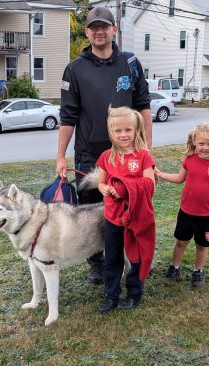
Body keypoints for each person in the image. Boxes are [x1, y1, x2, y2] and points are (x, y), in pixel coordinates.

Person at [57, 6, 152, 284]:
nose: (99, 32)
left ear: (113, 30)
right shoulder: (75, 69)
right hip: (88, 154)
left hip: (127, 154)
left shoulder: (130, 63)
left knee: (127, 206)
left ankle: (127, 258)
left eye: (104, 26)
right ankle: (97, 263)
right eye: (93, 27)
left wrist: (146, 149)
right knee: (90, 212)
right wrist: (61, 156)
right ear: (87, 32)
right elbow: (67, 116)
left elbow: (144, 107)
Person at [155, 122, 209, 287]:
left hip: (208, 215)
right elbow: (179, 178)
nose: (205, 147)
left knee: (202, 245)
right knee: (181, 242)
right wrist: (160, 174)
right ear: (194, 142)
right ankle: (174, 267)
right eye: (201, 143)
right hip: (186, 212)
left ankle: (198, 271)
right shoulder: (189, 159)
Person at [96, 106, 155, 312]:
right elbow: (101, 183)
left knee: (135, 255)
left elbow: (150, 184)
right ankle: (111, 294)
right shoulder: (106, 157)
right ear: (111, 132)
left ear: (136, 129)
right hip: (112, 217)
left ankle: (134, 293)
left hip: (136, 217)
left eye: (128, 130)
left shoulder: (143, 156)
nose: (123, 135)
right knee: (112, 257)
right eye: (118, 131)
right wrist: (106, 189)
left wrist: (125, 189)